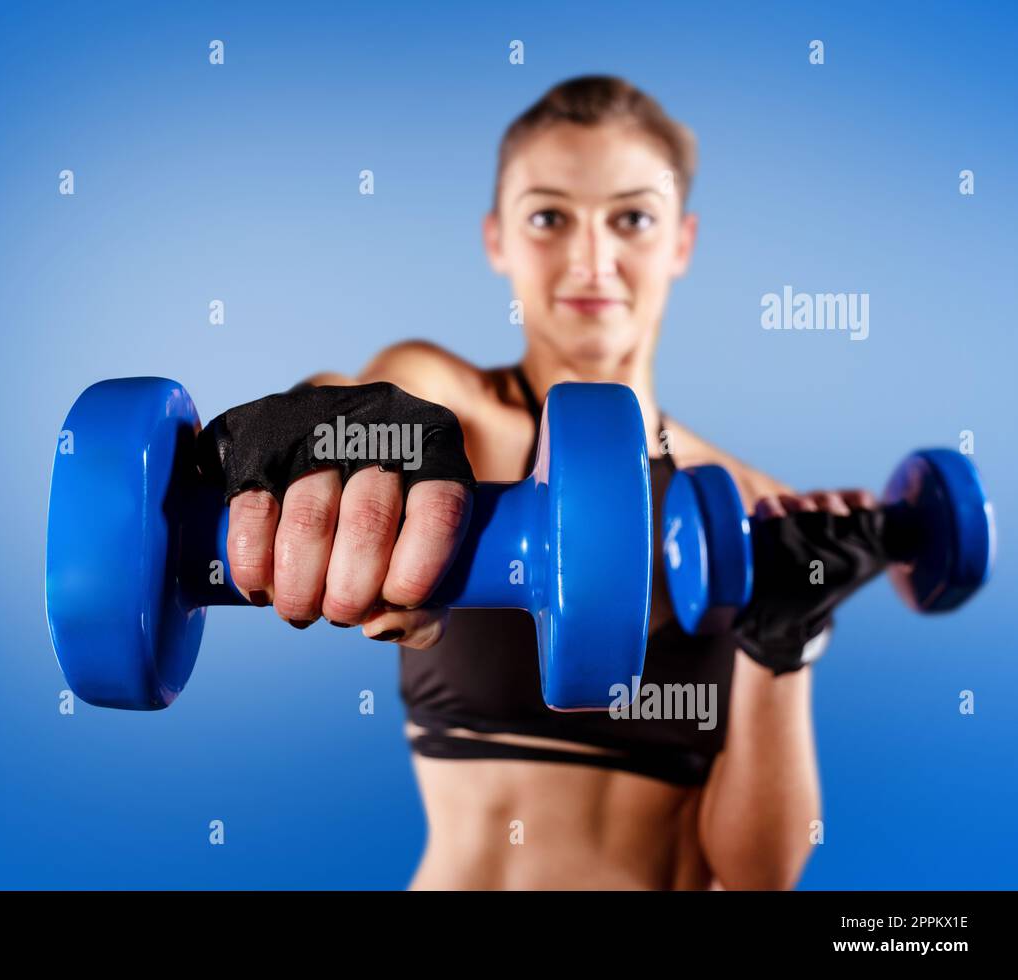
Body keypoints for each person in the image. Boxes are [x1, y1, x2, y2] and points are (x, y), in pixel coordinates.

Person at [200, 76, 880, 890]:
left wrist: (784, 642)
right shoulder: (453, 409)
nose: (592, 260)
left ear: (681, 242)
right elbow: (346, 395)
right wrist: (318, 431)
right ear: (498, 239)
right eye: (549, 217)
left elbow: (759, 872)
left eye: (632, 218)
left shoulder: (749, 501)